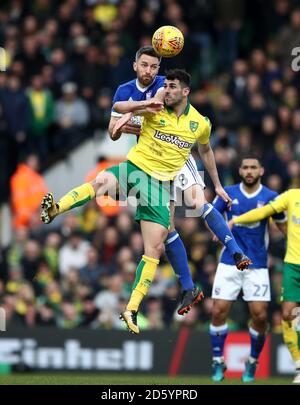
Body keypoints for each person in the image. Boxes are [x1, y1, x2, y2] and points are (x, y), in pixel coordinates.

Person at [41, 69, 250, 335]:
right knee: (100, 182)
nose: (166, 89)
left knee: (154, 249)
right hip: (134, 170)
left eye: (173, 86)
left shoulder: (200, 123)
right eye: (167, 85)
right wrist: (125, 118)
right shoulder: (154, 106)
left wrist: (218, 184)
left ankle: (131, 309)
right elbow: (120, 108)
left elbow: (206, 150)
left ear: (185, 91)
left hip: (161, 187)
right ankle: (56, 208)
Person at [108, 46, 204, 315]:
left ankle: (232, 253)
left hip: (175, 153)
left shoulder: (164, 85)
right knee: (166, 230)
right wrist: (129, 119)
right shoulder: (124, 90)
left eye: (154, 66)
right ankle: (188, 286)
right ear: (135, 65)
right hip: (153, 160)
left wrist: (132, 113)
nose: (149, 71)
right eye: (145, 65)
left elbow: (159, 101)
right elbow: (113, 129)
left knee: (199, 205)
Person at [209, 155, 286, 383]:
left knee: (260, 316)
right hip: (229, 261)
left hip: (258, 264)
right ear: (240, 170)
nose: (249, 171)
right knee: (218, 311)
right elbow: (211, 215)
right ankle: (217, 361)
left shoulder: (271, 197)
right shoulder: (227, 193)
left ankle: (252, 362)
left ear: (261, 170)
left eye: (253, 167)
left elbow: (282, 224)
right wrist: (216, 228)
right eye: (245, 167)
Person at [229, 187, 300, 384]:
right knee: (288, 315)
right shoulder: (292, 196)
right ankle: (299, 366)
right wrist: (236, 220)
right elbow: (263, 212)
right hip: (293, 266)